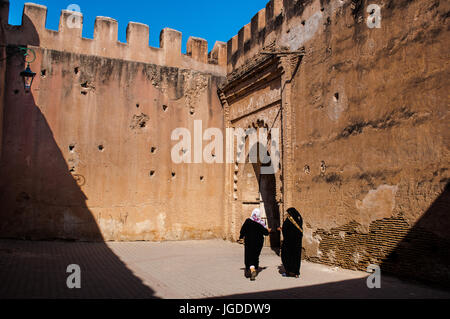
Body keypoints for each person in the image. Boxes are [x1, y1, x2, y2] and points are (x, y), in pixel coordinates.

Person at [239, 208, 271, 281]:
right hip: (258, 243)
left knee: (248, 255)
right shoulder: (261, 223)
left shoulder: (248, 221)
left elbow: (243, 230)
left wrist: (241, 237)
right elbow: (265, 232)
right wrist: (268, 230)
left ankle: (251, 269)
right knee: (255, 256)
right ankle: (254, 269)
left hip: (249, 242)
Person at [279, 207, 303, 278]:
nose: (287, 214)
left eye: (288, 213)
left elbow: (285, 229)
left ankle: (288, 272)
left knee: (286, 256)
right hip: (297, 242)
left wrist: (281, 229)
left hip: (289, 243)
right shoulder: (299, 219)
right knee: (296, 257)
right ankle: (296, 273)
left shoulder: (289, 220)